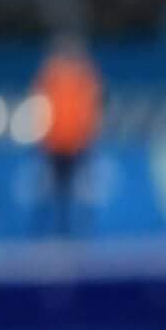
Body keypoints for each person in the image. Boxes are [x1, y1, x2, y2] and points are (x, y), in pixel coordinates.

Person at [31, 35, 103, 237]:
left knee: (81, 193)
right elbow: (41, 108)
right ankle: (47, 234)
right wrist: (42, 137)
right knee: (49, 193)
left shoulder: (85, 76)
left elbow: (91, 109)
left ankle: (80, 235)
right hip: (54, 144)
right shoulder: (50, 76)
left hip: (78, 144)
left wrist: (89, 137)